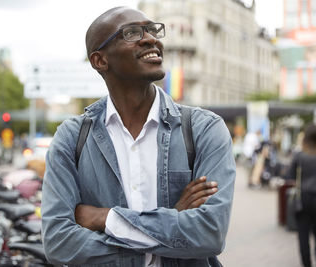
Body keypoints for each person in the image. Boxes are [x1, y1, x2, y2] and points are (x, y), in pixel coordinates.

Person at [41, 6, 235, 267]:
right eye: (132, 33)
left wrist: (107, 219)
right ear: (100, 60)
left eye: (152, 30)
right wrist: (172, 219)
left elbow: (209, 234)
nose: (151, 39)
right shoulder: (72, 138)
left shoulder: (204, 129)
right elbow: (58, 242)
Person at [286, 124, 316, 267]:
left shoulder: (300, 155)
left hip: (303, 199)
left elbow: (289, 176)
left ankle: (306, 263)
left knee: (303, 235)